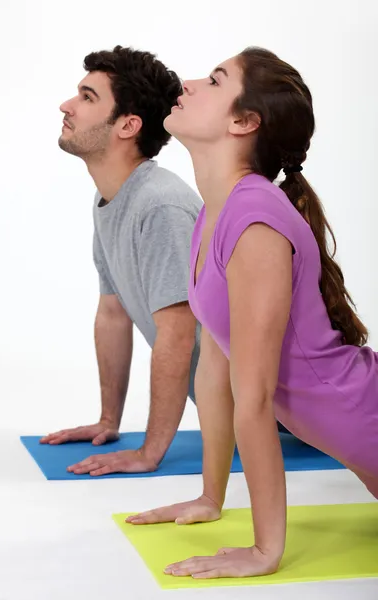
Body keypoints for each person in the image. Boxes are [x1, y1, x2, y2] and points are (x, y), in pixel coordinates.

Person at [126, 47, 378, 579]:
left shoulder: (255, 218)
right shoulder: (215, 213)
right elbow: (215, 371)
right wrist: (209, 497)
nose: (190, 83)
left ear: (243, 121)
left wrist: (266, 551)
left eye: (215, 80)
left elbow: (255, 397)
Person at [40, 46, 204, 475]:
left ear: (128, 126)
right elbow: (113, 313)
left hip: (303, 415)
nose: (66, 105)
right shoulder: (110, 199)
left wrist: (149, 452)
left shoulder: (160, 205)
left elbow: (178, 335)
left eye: (87, 97)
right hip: (260, 414)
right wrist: (108, 421)